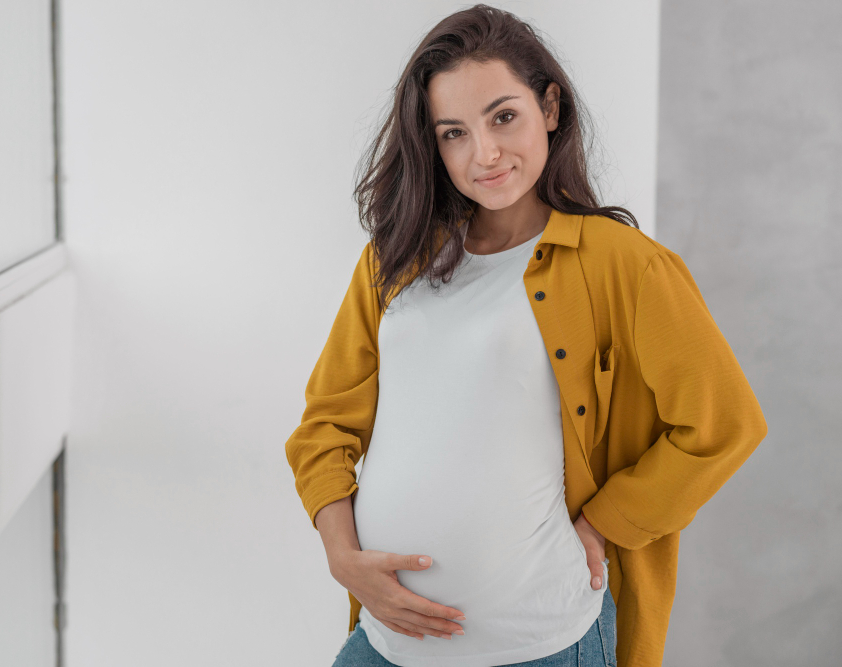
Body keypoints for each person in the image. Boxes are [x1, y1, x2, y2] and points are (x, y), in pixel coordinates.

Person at [284, 5, 767, 667]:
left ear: (550, 107)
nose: (483, 153)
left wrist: (606, 523)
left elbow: (724, 425)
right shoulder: (394, 259)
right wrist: (343, 556)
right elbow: (326, 424)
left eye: (503, 117)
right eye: (453, 132)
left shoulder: (622, 264)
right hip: (387, 642)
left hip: (543, 643)